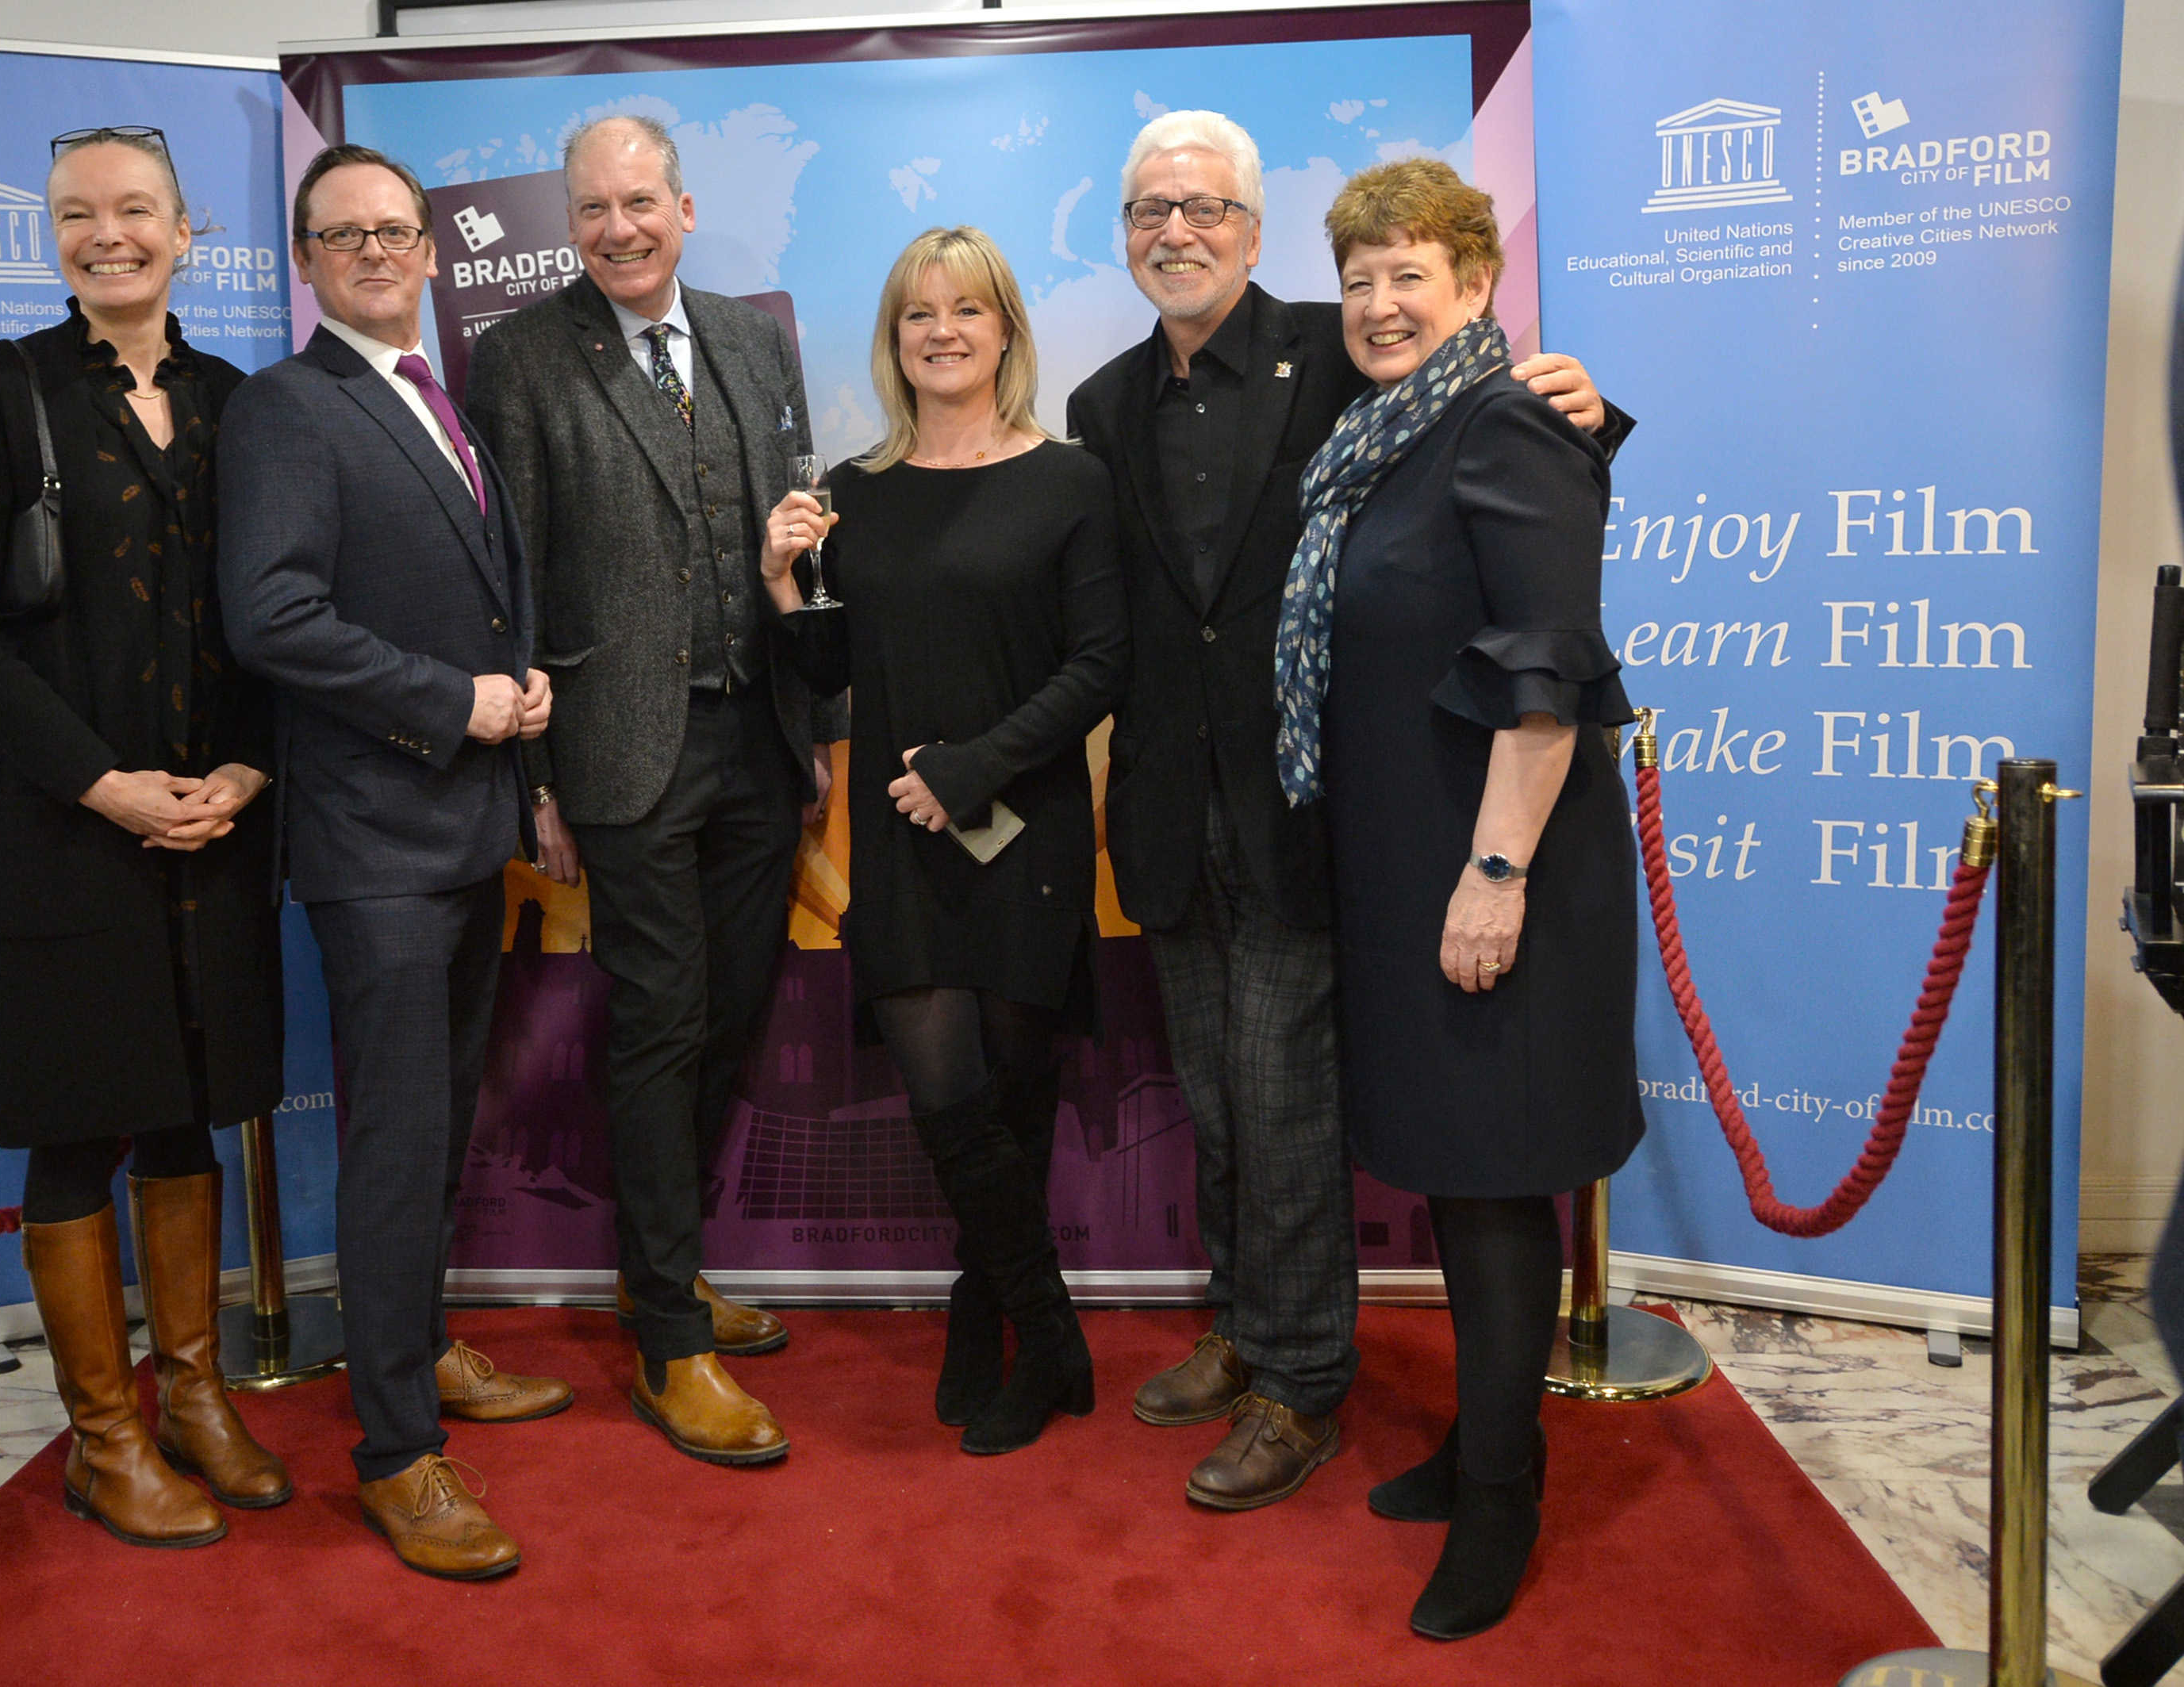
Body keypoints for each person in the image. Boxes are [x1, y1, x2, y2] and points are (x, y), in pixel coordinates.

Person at [1065, 110, 1626, 1513]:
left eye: (1202, 208)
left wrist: (1580, 403)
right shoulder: (1100, 406)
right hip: (1168, 809)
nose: (1175, 232)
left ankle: (1303, 1379)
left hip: (1315, 812)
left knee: (1287, 1103)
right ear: (1123, 235)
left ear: (1252, 233)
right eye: (1149, 211)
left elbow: (1492, 449)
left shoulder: (1341, 349)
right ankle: (1247, 1328)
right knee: (1217, 1103)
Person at [1283, 157, 1641, 1639]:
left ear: (1479, 286)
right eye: (1358, 278)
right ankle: (1484, 1437)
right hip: (1410, 866)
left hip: (1502, 871)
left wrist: (1494, 875)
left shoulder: (1507, 418)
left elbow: (1547, 680)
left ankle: (1505, 1493)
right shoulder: (1381, 438)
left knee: (1497, 1188)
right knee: (1454, 1166)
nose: (1377, 303)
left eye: (1408, 275)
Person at [0, 126, 287, 1549]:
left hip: (215, 826)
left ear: (187, 232)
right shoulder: (2, 387)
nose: (107, 234)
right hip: (69, 830)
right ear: (53, 236)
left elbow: (271, 613)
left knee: (188, 1104)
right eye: (78, 215)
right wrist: (101, 782)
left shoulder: (237, 399)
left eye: (136, 210)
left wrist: (250, 770)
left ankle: (191, 1395)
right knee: (79, 1128)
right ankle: (105, 1437)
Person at [467, 114, 841, 1466]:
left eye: (639, 204)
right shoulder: (516, 359)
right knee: (663, 1023)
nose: (616, 230)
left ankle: (658, 1274)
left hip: (759, 740)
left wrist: (816, 726)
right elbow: (505, 579)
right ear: (569, 224)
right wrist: (538, 777)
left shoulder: (750, 338)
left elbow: (790, 533)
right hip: (618, 753)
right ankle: (669, 1344)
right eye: (590, 211)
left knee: (736, 1014)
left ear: (684, 209)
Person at [218, 143, 569, 1581]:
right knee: (395, 1138)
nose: (372, 252)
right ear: (305, 261)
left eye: (394, 231)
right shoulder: (289, 411)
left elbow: (480, 606)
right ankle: (397, 1453)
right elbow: (273, 617)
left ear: (431, 250)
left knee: (436, 1124)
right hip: (375, 843)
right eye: (341, 234)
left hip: (467, 826)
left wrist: (520, 719)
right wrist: (457, 702)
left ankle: (418, 1350)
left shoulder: (441, 402)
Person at [763, 227, 1127, 1455]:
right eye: (919, 315)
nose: (943, 333)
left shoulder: (1070, 478)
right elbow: (837, 671)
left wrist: (973, 768)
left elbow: (1102, 661)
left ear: (1007, 331)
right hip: (904, 843)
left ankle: (987, 1312)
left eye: (966, 311)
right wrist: (781, 587)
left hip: (1022, 822)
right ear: (895, 339)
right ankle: (1046, 1321)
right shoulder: (855, 493)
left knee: (1017, 1096)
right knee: (948, 1097)